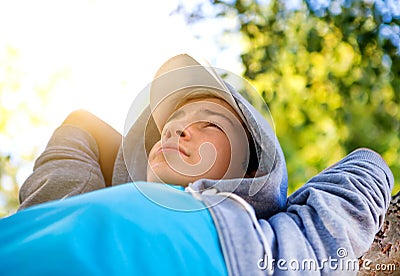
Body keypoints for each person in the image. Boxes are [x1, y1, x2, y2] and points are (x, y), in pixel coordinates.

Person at [0, 54, 394, 275]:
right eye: (168, 129)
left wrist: (265, 202)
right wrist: (130, 179)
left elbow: (366, 168)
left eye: (208, 123)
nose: (174, 133)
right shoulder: (61, 204)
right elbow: (79, 127)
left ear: (252, 168)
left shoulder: (268, 246)